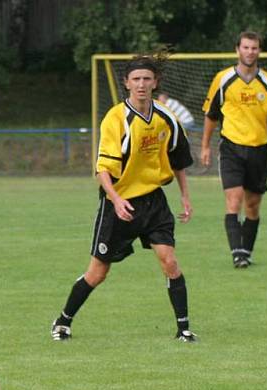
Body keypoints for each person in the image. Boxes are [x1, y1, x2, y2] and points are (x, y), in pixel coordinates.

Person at [51, 54, 197, 343]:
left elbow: (178, 160)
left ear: (155, 82)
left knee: (169, 261)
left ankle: (184, 329)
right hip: (118, 203)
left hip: (153, 201)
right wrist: (116, 200)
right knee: (97, 273)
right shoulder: (116, 119)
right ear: (127, 83)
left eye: (147, 79)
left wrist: (185, 197)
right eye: (136, 79)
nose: (141, 84)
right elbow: (103, 169)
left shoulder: (167, 118)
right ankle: (63, 321)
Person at [200, 31, 267, 268]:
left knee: (252, 205)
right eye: (246, 47)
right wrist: (205, 147)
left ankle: (246, 252)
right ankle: (237, 255)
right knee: (234, 200)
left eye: (254, 48)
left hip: (259, 149)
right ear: (237, 50)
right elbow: (211, 115)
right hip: (231, 147)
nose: (250, 52)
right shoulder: (223, 79)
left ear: (259, 51)